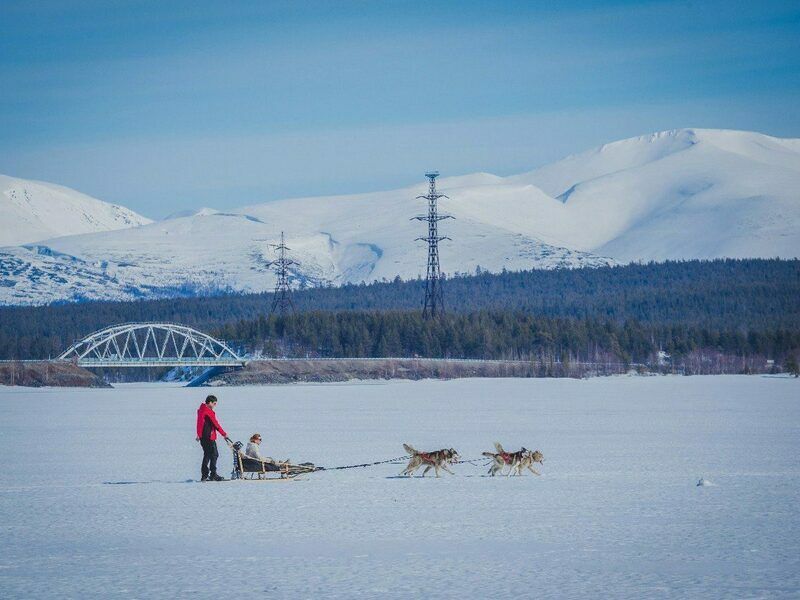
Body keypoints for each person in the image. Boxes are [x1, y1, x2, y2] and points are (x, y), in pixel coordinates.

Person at [196, 395, 231, 481]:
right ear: (210, 402)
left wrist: (199, 434)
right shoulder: (207, 411)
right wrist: (224, 434)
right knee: (214, 454)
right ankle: (213, 474)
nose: (215, 405)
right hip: (208, 437)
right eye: (214, 403)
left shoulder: (202, 410)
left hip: (203, 437)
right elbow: (215, 424)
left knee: (208, 455)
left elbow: (199, 424)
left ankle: (205, 475)